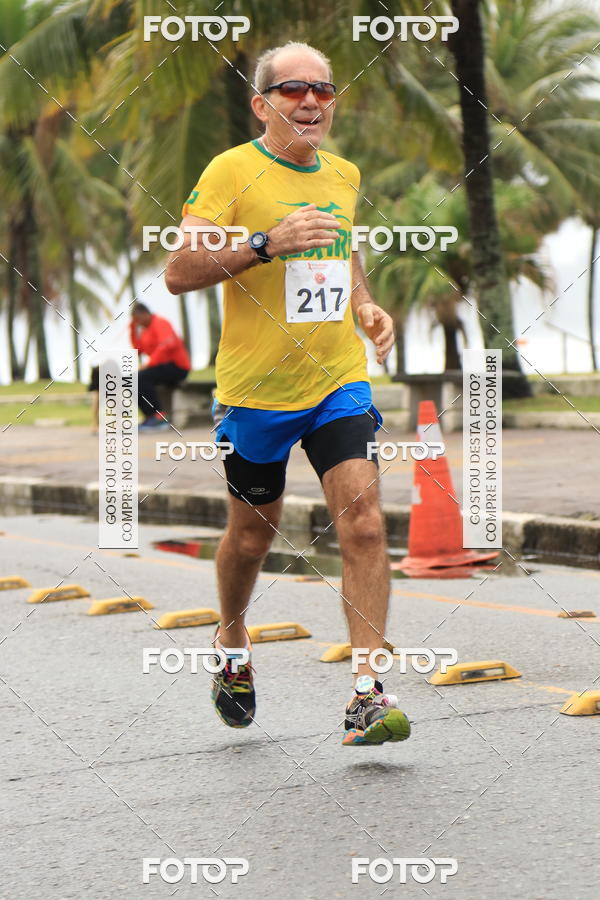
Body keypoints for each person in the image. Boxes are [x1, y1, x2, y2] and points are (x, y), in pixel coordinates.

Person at [165, 42, 410, 746]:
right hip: (256, 391)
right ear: (261, 104)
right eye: (294, 89)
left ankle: (366, 695)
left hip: (336, 379)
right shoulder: (230, 171)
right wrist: (265, 244)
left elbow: (344, 251)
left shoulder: (343, 173)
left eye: (323, 90)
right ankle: (231, 640)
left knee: (364, 524)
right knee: (253, 536)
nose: (311, 101)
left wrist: (365, 306)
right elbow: (179, 271)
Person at [129, 302, 191, 430]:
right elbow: (138, 350)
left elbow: (166, 345)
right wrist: (132, 330)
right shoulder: (145, 331)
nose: (138, 323)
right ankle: (150, 417)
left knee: (141, 377)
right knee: (131, 380)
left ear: (145, 314)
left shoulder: (160, 322)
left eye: (138, 319)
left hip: (177, 367)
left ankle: (159, 417)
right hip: (162, 368)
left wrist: (149, 364)